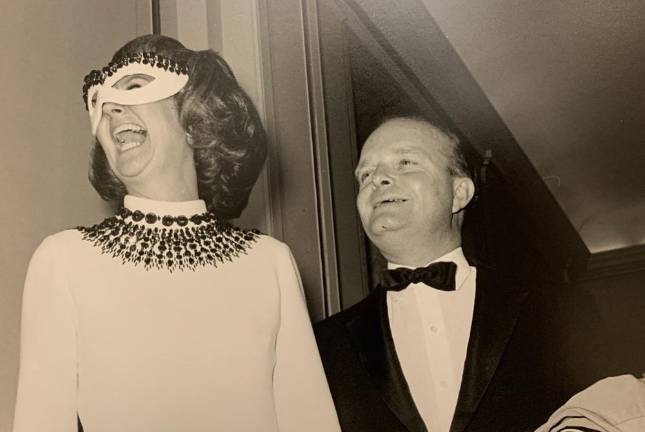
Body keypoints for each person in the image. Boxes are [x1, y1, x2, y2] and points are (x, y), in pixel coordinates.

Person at [13, 35, 340, 432]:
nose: (110, 108)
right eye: (98, 102)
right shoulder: (63, 260)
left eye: (132, 86)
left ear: (194, 118)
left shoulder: (270, 262)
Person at [314, 117, 607, 432]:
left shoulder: (557, 309)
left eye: (406, 162)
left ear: (460, 192)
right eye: (365, 173)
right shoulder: (322, 345)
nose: (378, 179)